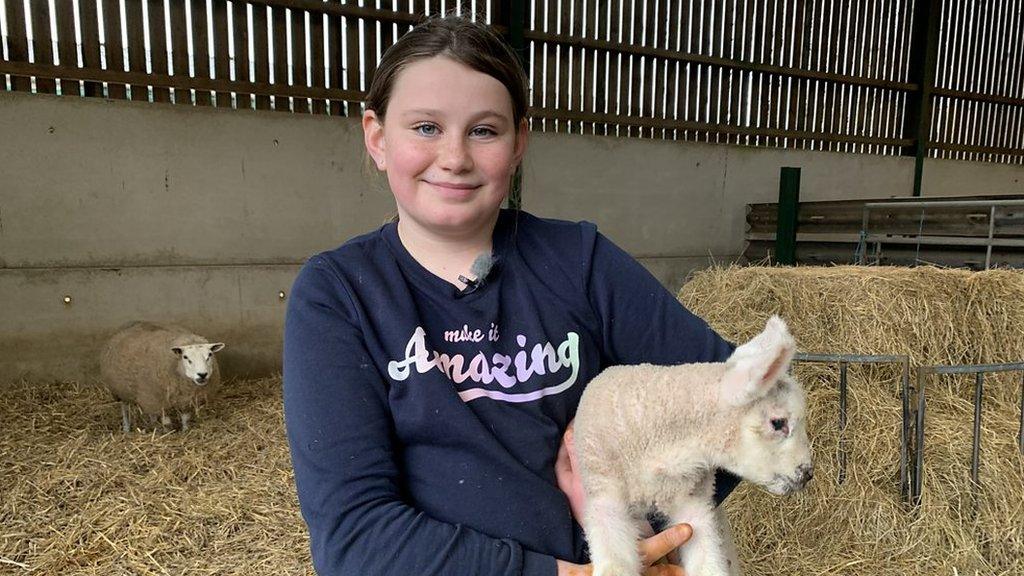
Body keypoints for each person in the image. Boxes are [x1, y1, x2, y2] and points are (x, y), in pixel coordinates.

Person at [282, 15, 739, 576]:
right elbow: (355, 538)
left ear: (518, 142)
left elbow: (740, 403)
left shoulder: (578, 261)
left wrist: (624, 512)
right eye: (425, 127)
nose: (454, 157)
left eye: (484, 130)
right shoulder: (341, 294)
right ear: (378, 139)